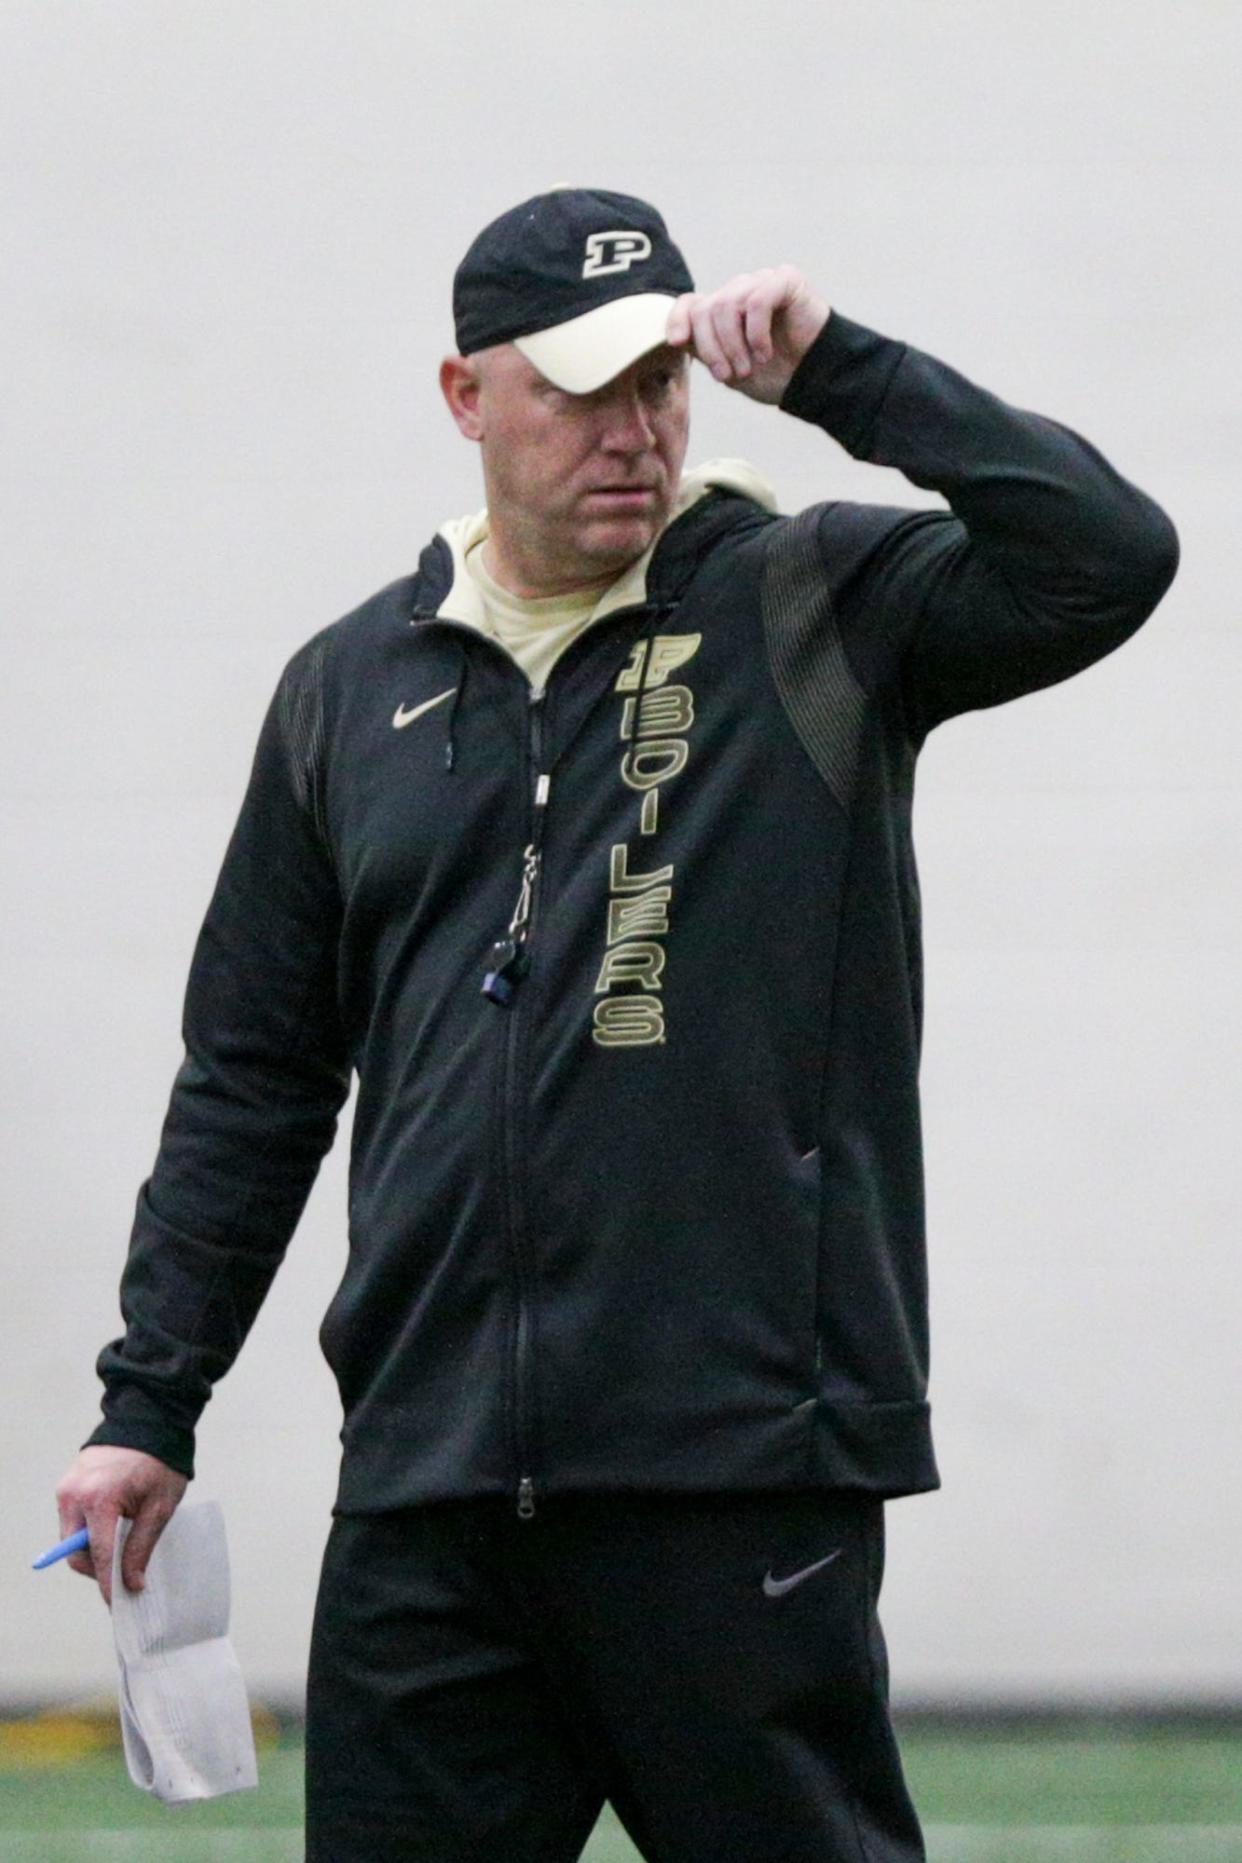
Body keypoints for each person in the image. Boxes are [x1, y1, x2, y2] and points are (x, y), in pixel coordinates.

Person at [54, 186, 1179, 1860]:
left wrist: (842, 371)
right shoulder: (347, 688)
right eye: (579, 389)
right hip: (429, 1495)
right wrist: (148, 1401)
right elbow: (255, 1078)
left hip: (735, 1482)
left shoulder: (814, 602)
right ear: (465, 397)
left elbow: (1108, 553)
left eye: (657, 381)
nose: (631, 430)